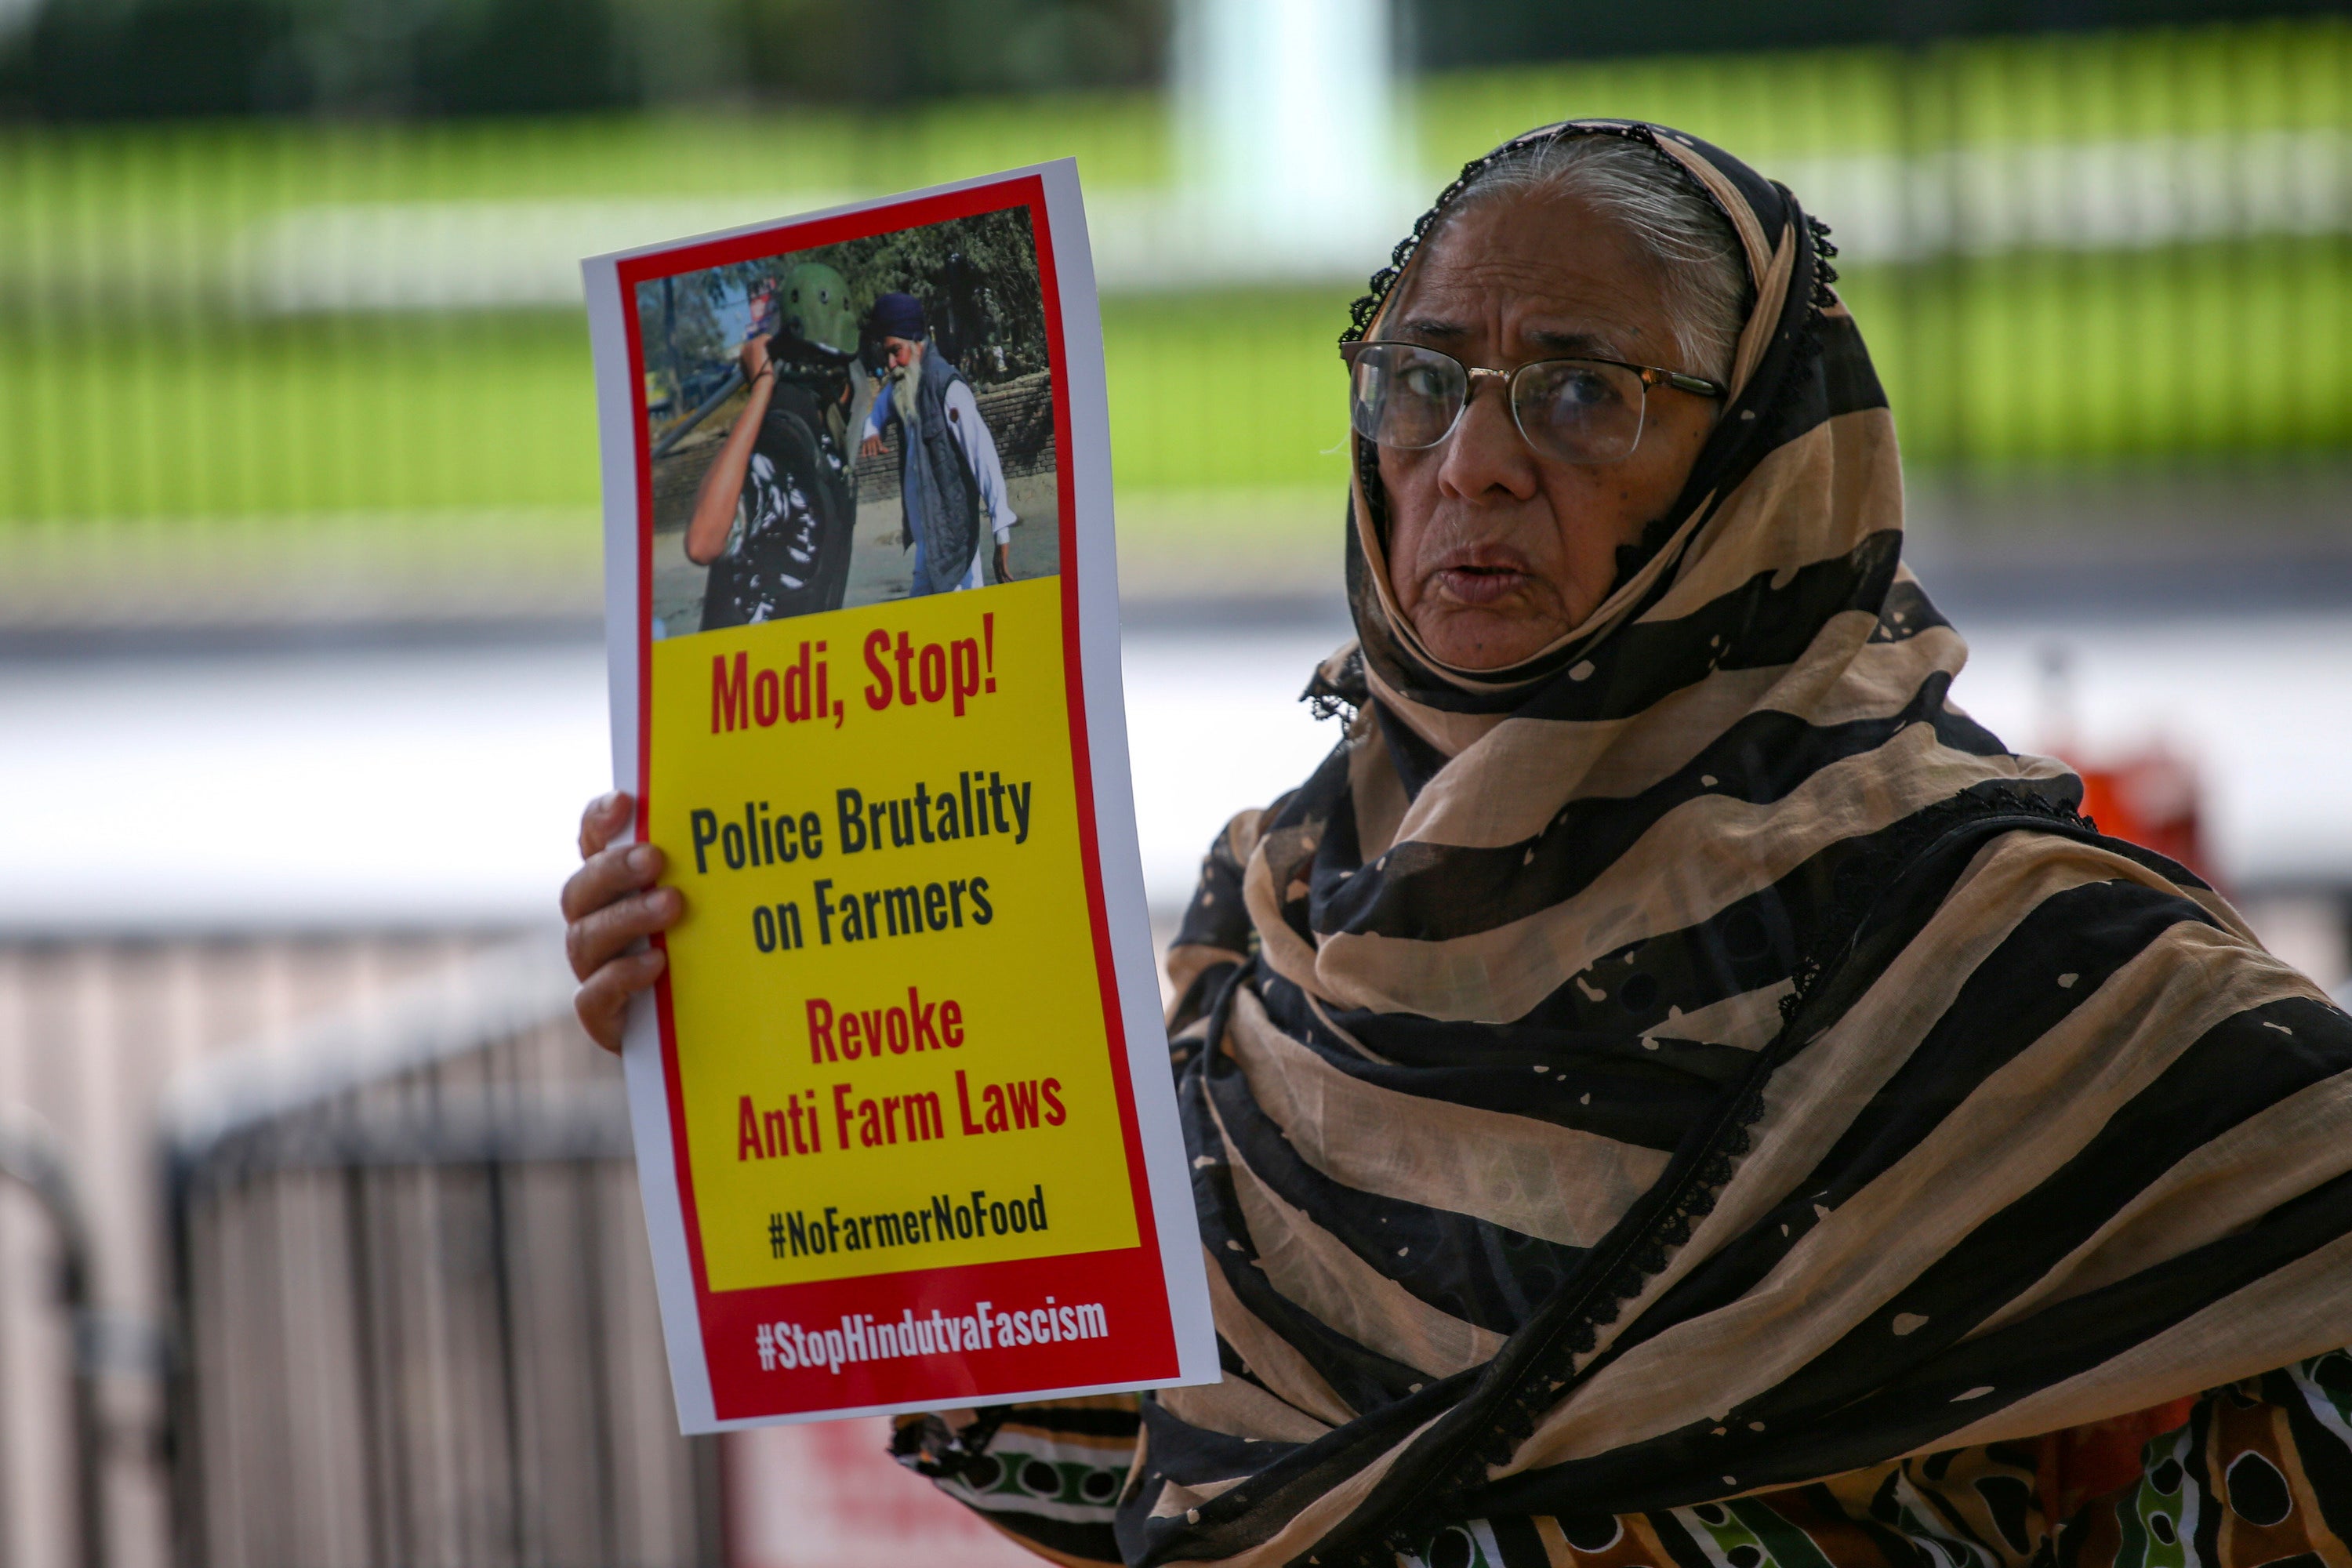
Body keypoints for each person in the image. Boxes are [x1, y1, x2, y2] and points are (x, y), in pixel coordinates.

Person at [563, 122, 2352, 1568]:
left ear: (1754, 462)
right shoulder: (1276, 911)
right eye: (1421, 378)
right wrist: (735, 1020)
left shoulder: (2003, 946)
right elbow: (1137, 1478)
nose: (1472, 459)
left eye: (1580, 390)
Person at [684, 262, 860, 630]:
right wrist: (765, 387)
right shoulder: (799, 434)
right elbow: (704, 541)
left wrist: (761, 385)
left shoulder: (788, 428)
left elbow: (700, 545)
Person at [858, 290, 1018, 593]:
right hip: (928, 548)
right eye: (886, 354)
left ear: (917, 342)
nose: (891, 364)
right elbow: (879, 410)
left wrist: (1001, 532)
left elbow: (984, 458)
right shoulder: (905, 383)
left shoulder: (946, 386)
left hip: (955, 549)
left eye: (896, 351)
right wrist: (872, 431)